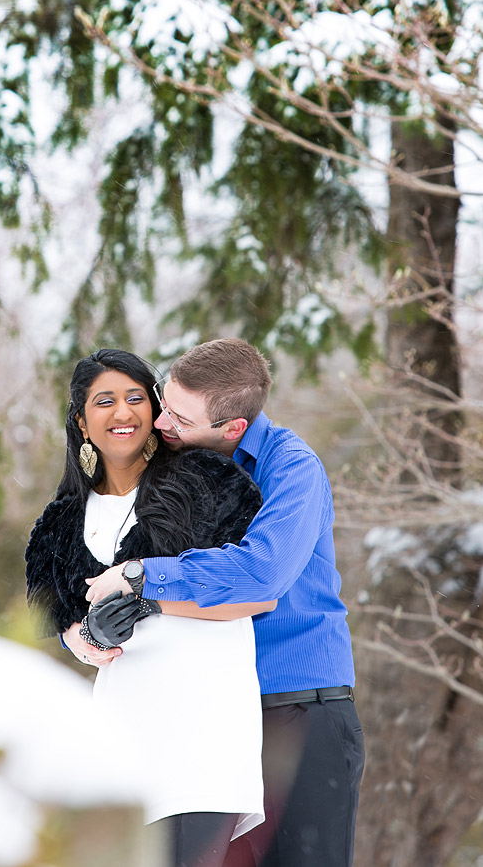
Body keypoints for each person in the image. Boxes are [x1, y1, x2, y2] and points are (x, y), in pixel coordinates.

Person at [86, 339, 364, 867]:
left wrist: (143, 576)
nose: (163, 423)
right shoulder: (169, 465)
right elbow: (84, 556)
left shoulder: (291, 468)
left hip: (297, 710)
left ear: (232, 428)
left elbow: (263, 573)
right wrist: (83, 632)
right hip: (208, 721)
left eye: (181, 419)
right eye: (165, 404)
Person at [25, 348, 276, 867]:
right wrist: (86, 640)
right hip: (120, 735)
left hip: (202, 731)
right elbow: (58, 619)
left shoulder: (209, 483)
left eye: (136, 397)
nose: (123, 413)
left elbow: (258, 594)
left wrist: (154, 600)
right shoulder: (62, 520)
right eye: (105, 401)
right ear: (81, 420)